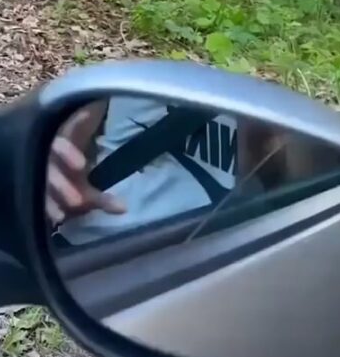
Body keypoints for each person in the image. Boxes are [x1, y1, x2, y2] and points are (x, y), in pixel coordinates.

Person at [46, 94, 239, 246]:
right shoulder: (126, 77)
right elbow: (73, 120)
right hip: (86, 247)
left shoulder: (255, 111)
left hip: (205, 257)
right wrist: (58, 164)